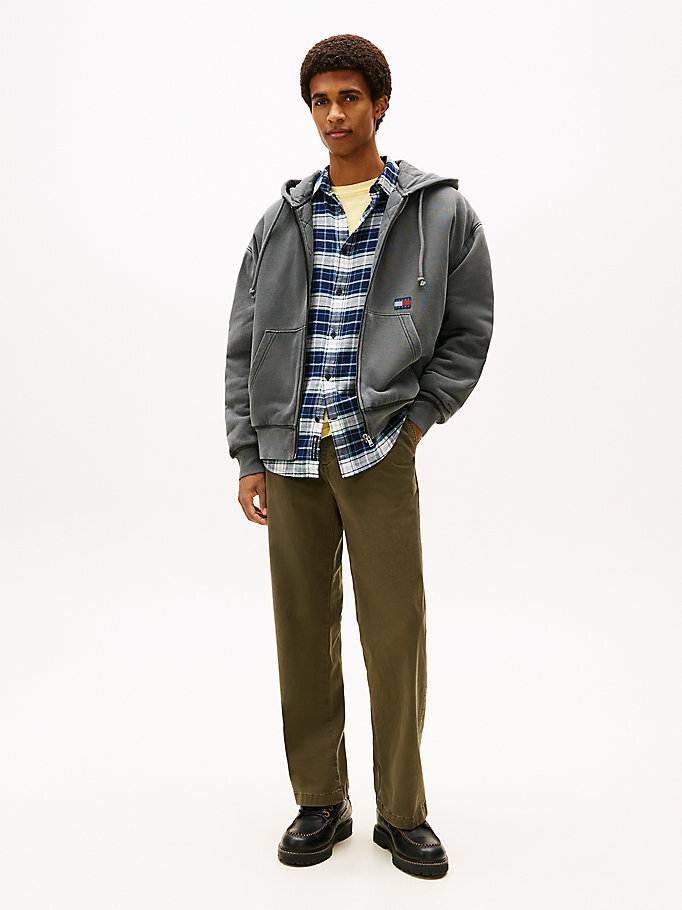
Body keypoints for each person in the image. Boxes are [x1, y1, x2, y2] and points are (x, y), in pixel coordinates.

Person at [224, 33, 494, 878]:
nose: (334, 114)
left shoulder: (439, 212)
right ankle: (321, 800)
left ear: (380, 103)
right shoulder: (279, 221)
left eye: (348, 98)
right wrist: (248, 454)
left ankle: (403, 812)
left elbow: (469, 329)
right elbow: (243, 345)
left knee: (394, 632)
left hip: (379, 448)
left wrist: (417, 421)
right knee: (302, 631)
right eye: (320, 101)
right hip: (290, 452)